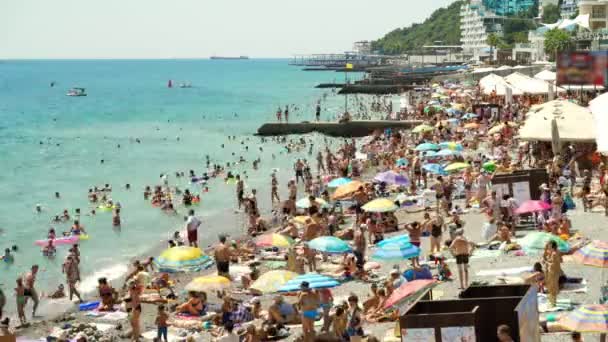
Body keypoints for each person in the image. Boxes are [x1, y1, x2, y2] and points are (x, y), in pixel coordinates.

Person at [543, 240, 562, 307]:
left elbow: (553, 264)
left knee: (552, 287)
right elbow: (561, 260)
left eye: (549, 245)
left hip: (553, 272)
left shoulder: (554, 253)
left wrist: (546, 262)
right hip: (554, 271)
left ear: (552, 245)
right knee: (551, 286)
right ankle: (553, 301)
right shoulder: (554, 252)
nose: (548, 246)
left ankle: (553, 303)